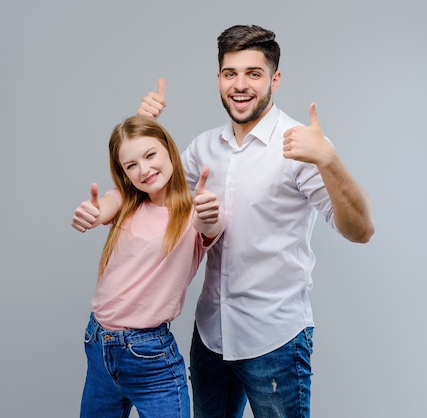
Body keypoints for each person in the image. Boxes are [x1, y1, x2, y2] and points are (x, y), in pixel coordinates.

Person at [135, 25, 375, 417]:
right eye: (230, 73)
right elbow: (157, 204)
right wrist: (144, 126)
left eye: (254, 73)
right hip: (211, 336)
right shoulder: (204, 146)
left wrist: (329, 160)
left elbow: (360, 230)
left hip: (275, 341)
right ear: (219, 79)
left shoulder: (302, 144)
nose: (240, 85)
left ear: (274, 80)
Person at [71, 115, 225, 418]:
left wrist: (209, 213)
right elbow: (102, 208)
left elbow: (210, 225)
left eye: (151, 155)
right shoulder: (125, 201)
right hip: (99, 343)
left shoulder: (192, 213)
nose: (144, 170)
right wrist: (89, 213)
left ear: (169, 149)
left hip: (149, 355)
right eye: (131, 166)